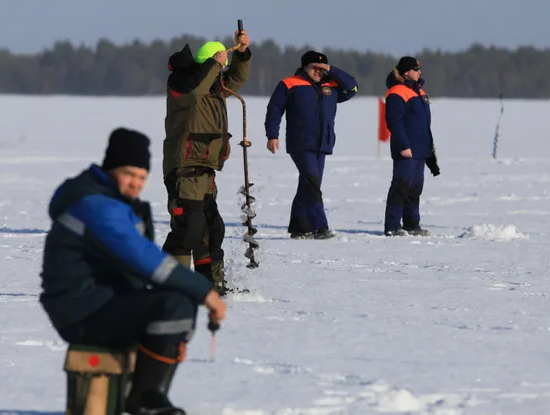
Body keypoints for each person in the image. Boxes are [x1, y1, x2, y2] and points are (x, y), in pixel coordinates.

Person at [38, 128, 227, 415]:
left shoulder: (111, 202)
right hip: (82, 310)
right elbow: (145, 259)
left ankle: (146, 396)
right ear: (111, 169)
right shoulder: (97, 206)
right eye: (128, 174)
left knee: (174, 302)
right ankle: (145, 400)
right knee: (175, 305)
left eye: (141, 177)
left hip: (96, 302)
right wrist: (204, 292)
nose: (135, 184)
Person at [161, 29, 251, 295]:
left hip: (205, 171)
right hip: (184, 169)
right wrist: (215, 63)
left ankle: (211, 285)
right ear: (209, 63)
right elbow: (194, 89)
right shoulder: (181, 83)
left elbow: (235, 78)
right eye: (218, 65)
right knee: (187, 229)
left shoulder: (213, 89)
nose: (221, 73)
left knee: (211, 230)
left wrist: (242, 53)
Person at [264, 50, 359, 239]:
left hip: (323, 143)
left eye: (321, 68)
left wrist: (332, 70)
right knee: (312, 183)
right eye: (314, 67)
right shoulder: (290, 84)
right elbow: (274, 109)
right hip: (300, 143)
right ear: (305, 67)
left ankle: (299, 228)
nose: (317, 71)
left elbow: (353, 87)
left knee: (308, 185)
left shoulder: (331, 86)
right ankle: (319, 227)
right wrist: (272, 135)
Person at [382, 56, 441, 236]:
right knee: (401, 186)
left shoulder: (420, 92)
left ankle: (411, 225)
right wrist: (403, 145)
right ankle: (392, 226)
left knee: (415, 188)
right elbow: (394, 122)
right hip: (406, 149)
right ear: (406, 71)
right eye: (416, 69)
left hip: (420, 148)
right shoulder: (397, 92)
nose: (419, 72)